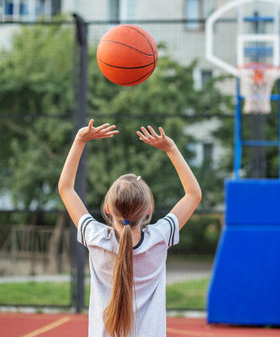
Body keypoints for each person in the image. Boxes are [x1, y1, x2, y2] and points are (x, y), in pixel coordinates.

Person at [58, 119, 202, 337]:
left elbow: (66, 188)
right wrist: (170, 148)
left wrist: (80, 139)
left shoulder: (96, 238)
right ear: (149, 209)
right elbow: (194, 194)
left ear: (107, 207)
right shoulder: (160, 238)